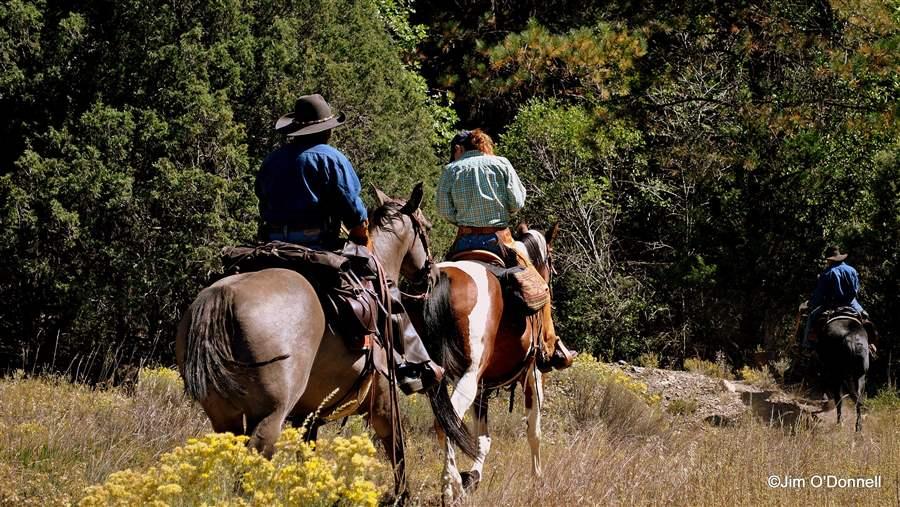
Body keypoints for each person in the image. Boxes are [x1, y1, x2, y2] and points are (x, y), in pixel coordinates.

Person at [255, 93, 442, 393]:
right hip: (315, 246)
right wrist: (360, 238)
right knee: (381, 286)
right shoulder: (330, 158)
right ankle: (413, 365)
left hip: (271, 246)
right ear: (325, 130)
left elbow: (262, 201)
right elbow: (355, 214)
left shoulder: (272, 160)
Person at [801, 246, 871, 350]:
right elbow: (856, 289)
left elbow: (819, 294)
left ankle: (807, 346)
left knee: (812, 317)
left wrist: (810, 304)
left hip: (832, 305)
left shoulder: (827, 273)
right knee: (866, 318)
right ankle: (871, 345)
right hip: (852, 304)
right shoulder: (852, 270)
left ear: (829, 260)